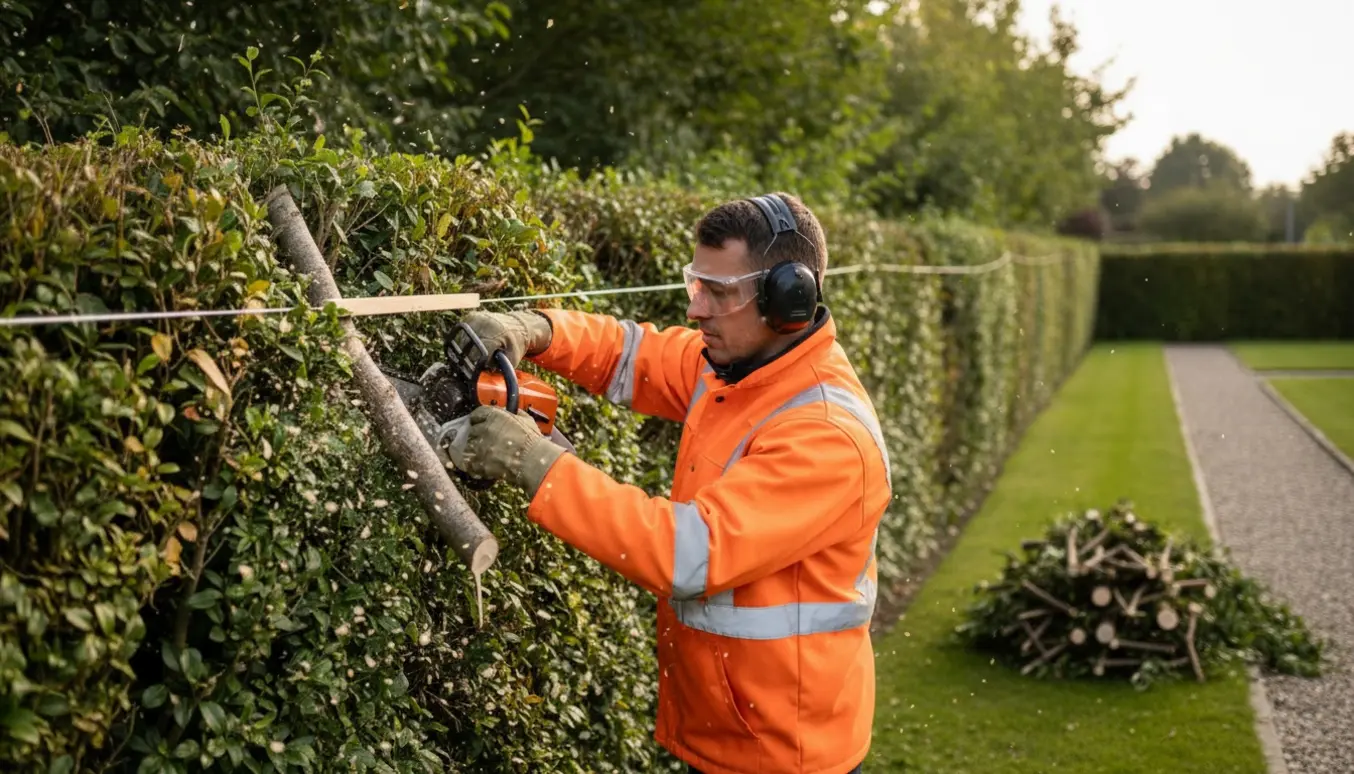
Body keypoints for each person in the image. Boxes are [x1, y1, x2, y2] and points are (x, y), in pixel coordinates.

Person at [448, 192, 891, 774]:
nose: (697, 309)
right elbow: (633, 354)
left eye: (720, 293)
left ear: (790, 301)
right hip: (719, 730)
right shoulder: (735, 368)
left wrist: (532, 461)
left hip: (784, 753)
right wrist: (537, 329)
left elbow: (686, 554)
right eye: (696, 284)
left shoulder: (827, 437)